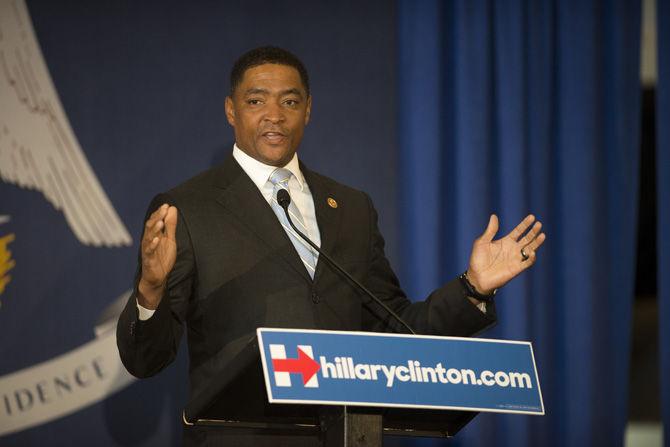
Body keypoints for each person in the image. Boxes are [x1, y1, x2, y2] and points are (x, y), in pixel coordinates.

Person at [116, 46, 545, 446]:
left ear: (308, 110)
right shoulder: (189, 208)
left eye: (289, 101)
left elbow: (397, 329)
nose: (274, 116)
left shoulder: (352, 207)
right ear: (230, 110)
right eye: (256, 101)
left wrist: (473, 287)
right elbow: (146, 359)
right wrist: (150, 292)